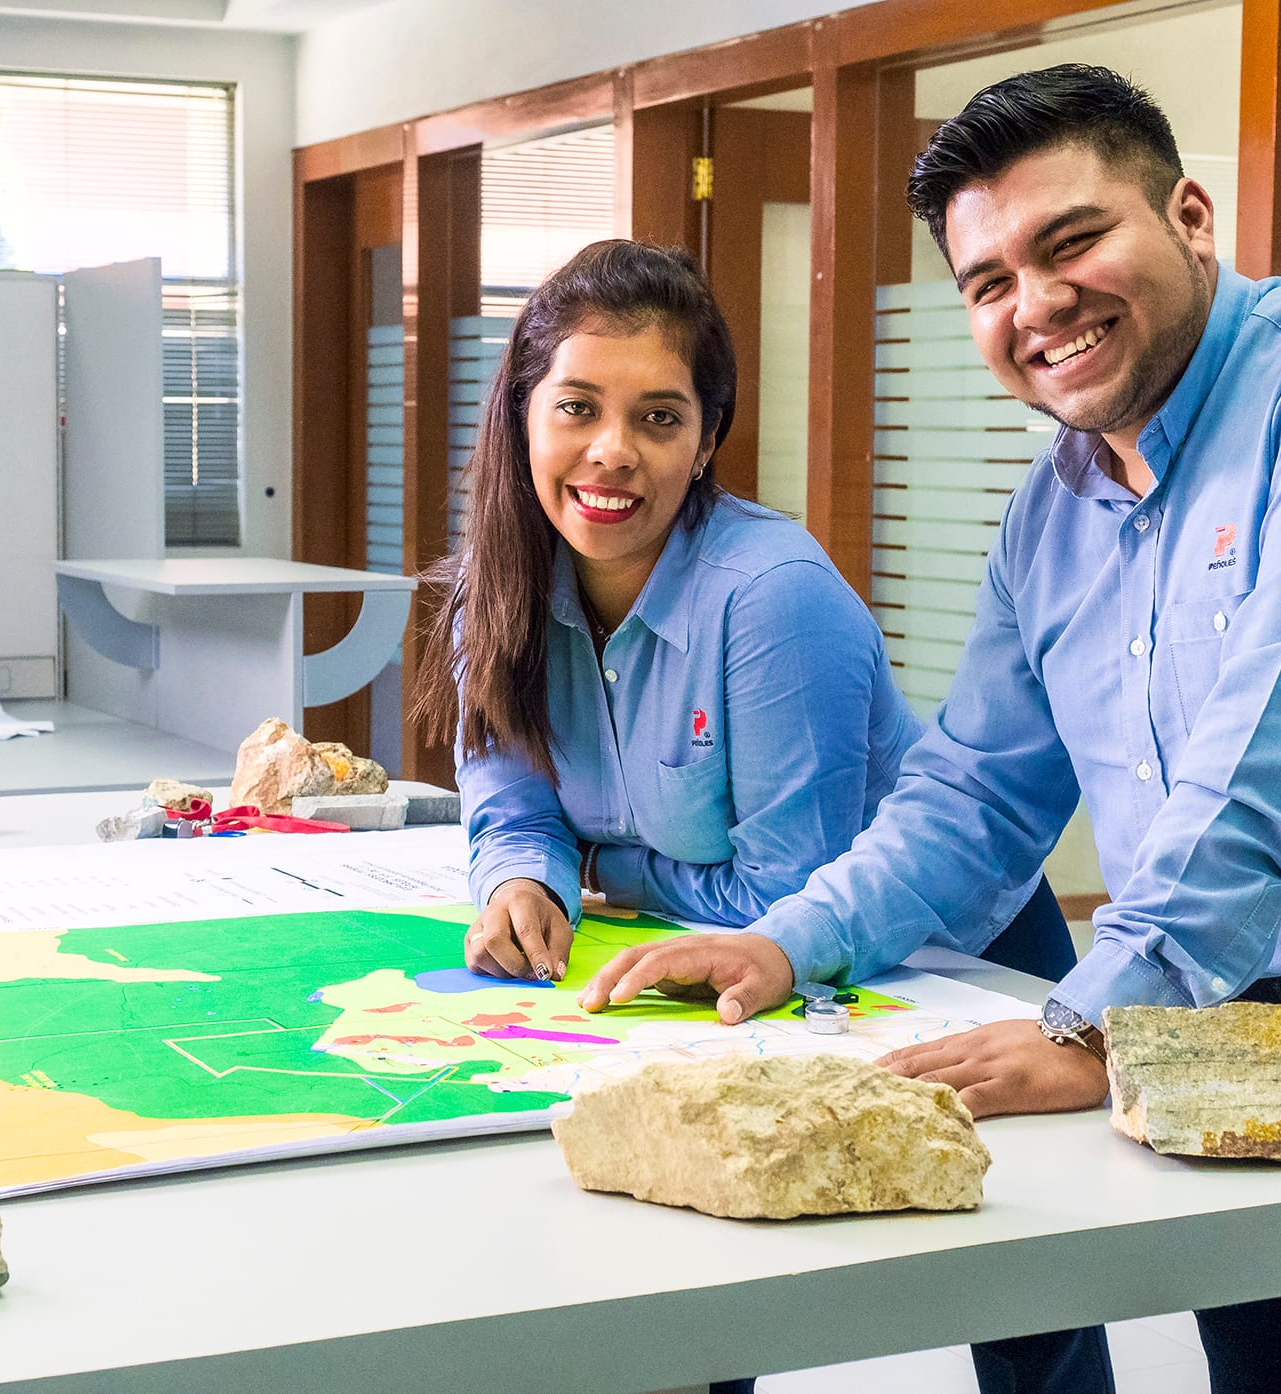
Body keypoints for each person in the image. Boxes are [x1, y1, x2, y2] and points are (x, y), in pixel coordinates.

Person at [577, 64, 1281, 1394]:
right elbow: (974, 797)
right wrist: (785, 942)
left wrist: (1092, 1020)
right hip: (1217, 1019)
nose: (1036, 304)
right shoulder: (1051, 510)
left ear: (1188, 215)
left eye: (1070, 242)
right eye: (988, 281)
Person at [418, 237, 1113, 1394]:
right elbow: (505, 785)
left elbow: (790, 889)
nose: (611, 453)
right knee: (692, 1273)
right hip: (740, 973)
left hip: (945, 962)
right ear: (520, 417)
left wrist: (606, 867)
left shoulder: (771, 594)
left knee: (1023, 1305)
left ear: (705, 440)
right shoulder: (496, 582)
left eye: (658, 417)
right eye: (577, 407)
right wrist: (524, 876)